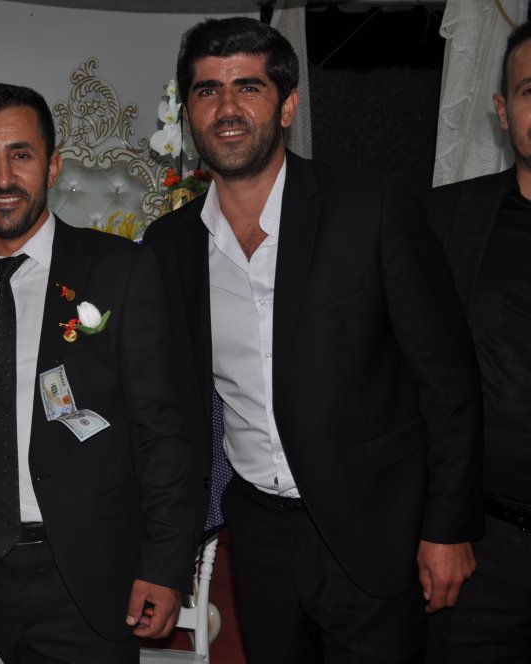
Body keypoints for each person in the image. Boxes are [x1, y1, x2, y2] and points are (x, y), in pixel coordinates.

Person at [143, 17, 483, 664]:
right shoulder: (170, 246)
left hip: (377, 525)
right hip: (258, 534)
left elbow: (448, 382)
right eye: (207, 90)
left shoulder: (371, 209)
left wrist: (448, 526)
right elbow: (175, 408)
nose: (227, 108)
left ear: (288, 105)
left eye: (248, 86)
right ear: (188, 113)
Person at [0, 83, 200, 664]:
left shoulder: (121, 271)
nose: (3, 177)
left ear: (52, 165)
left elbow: (163, 431)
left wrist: (165, 564)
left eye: (21, 154)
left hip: (87, 577)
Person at [425, 21, 531, 664]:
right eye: (530, 90)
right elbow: (415, 383)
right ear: (502, 110)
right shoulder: (446, 221)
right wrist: (440, 524)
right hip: (482, 550)